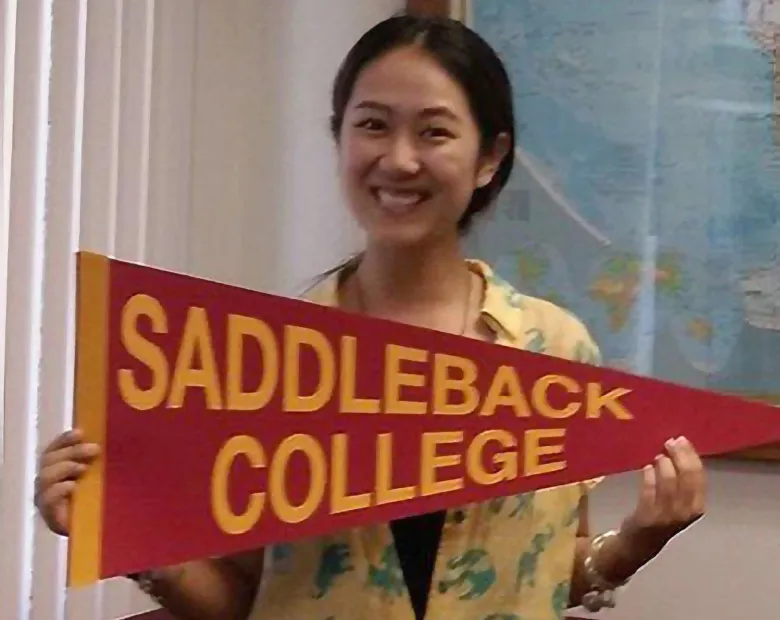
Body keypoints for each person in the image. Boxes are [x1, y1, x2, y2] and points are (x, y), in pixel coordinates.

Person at [34, 14, 706, 620]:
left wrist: (636, 542)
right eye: (373, 125)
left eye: (434, 131)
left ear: (489, 158)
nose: (399, 159)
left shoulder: (553, 350)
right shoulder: (266, 360)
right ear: (340, 137)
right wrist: (118, 527)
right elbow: (243, 600)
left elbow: (545, 567)